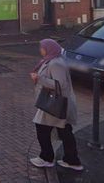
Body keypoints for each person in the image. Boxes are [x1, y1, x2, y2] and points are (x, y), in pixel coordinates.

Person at [29, 39, 83, 171]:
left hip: (55, 103)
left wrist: (39, 78)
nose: (40, 50)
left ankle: (46, 158)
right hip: (58, 103)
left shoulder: (56, 63)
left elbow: (60, 85)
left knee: (42, 127)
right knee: (65, 131)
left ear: (49, 49)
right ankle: (72, 160)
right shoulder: (52, 60)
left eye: (42, 48)